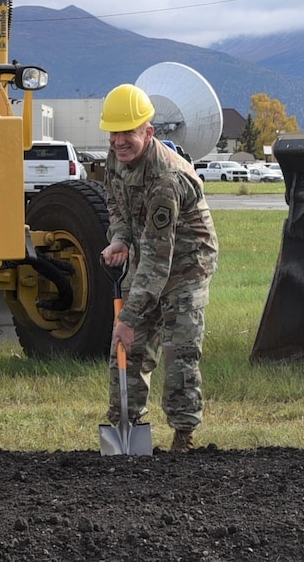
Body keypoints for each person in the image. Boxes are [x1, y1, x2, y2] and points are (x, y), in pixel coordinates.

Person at [98, 83, 218, 453]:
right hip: (148, 253)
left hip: (186, 263)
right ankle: (124, 424)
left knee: (179, 350)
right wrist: (119, 236)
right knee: (129, 349)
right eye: (114, 132)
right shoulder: (116, 159)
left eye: (128, 133)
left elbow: (157, 257)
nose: (120, 141)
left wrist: (130, 316)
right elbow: (115, 204)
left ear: (148, 132)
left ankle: (184, 435)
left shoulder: (167, 179)